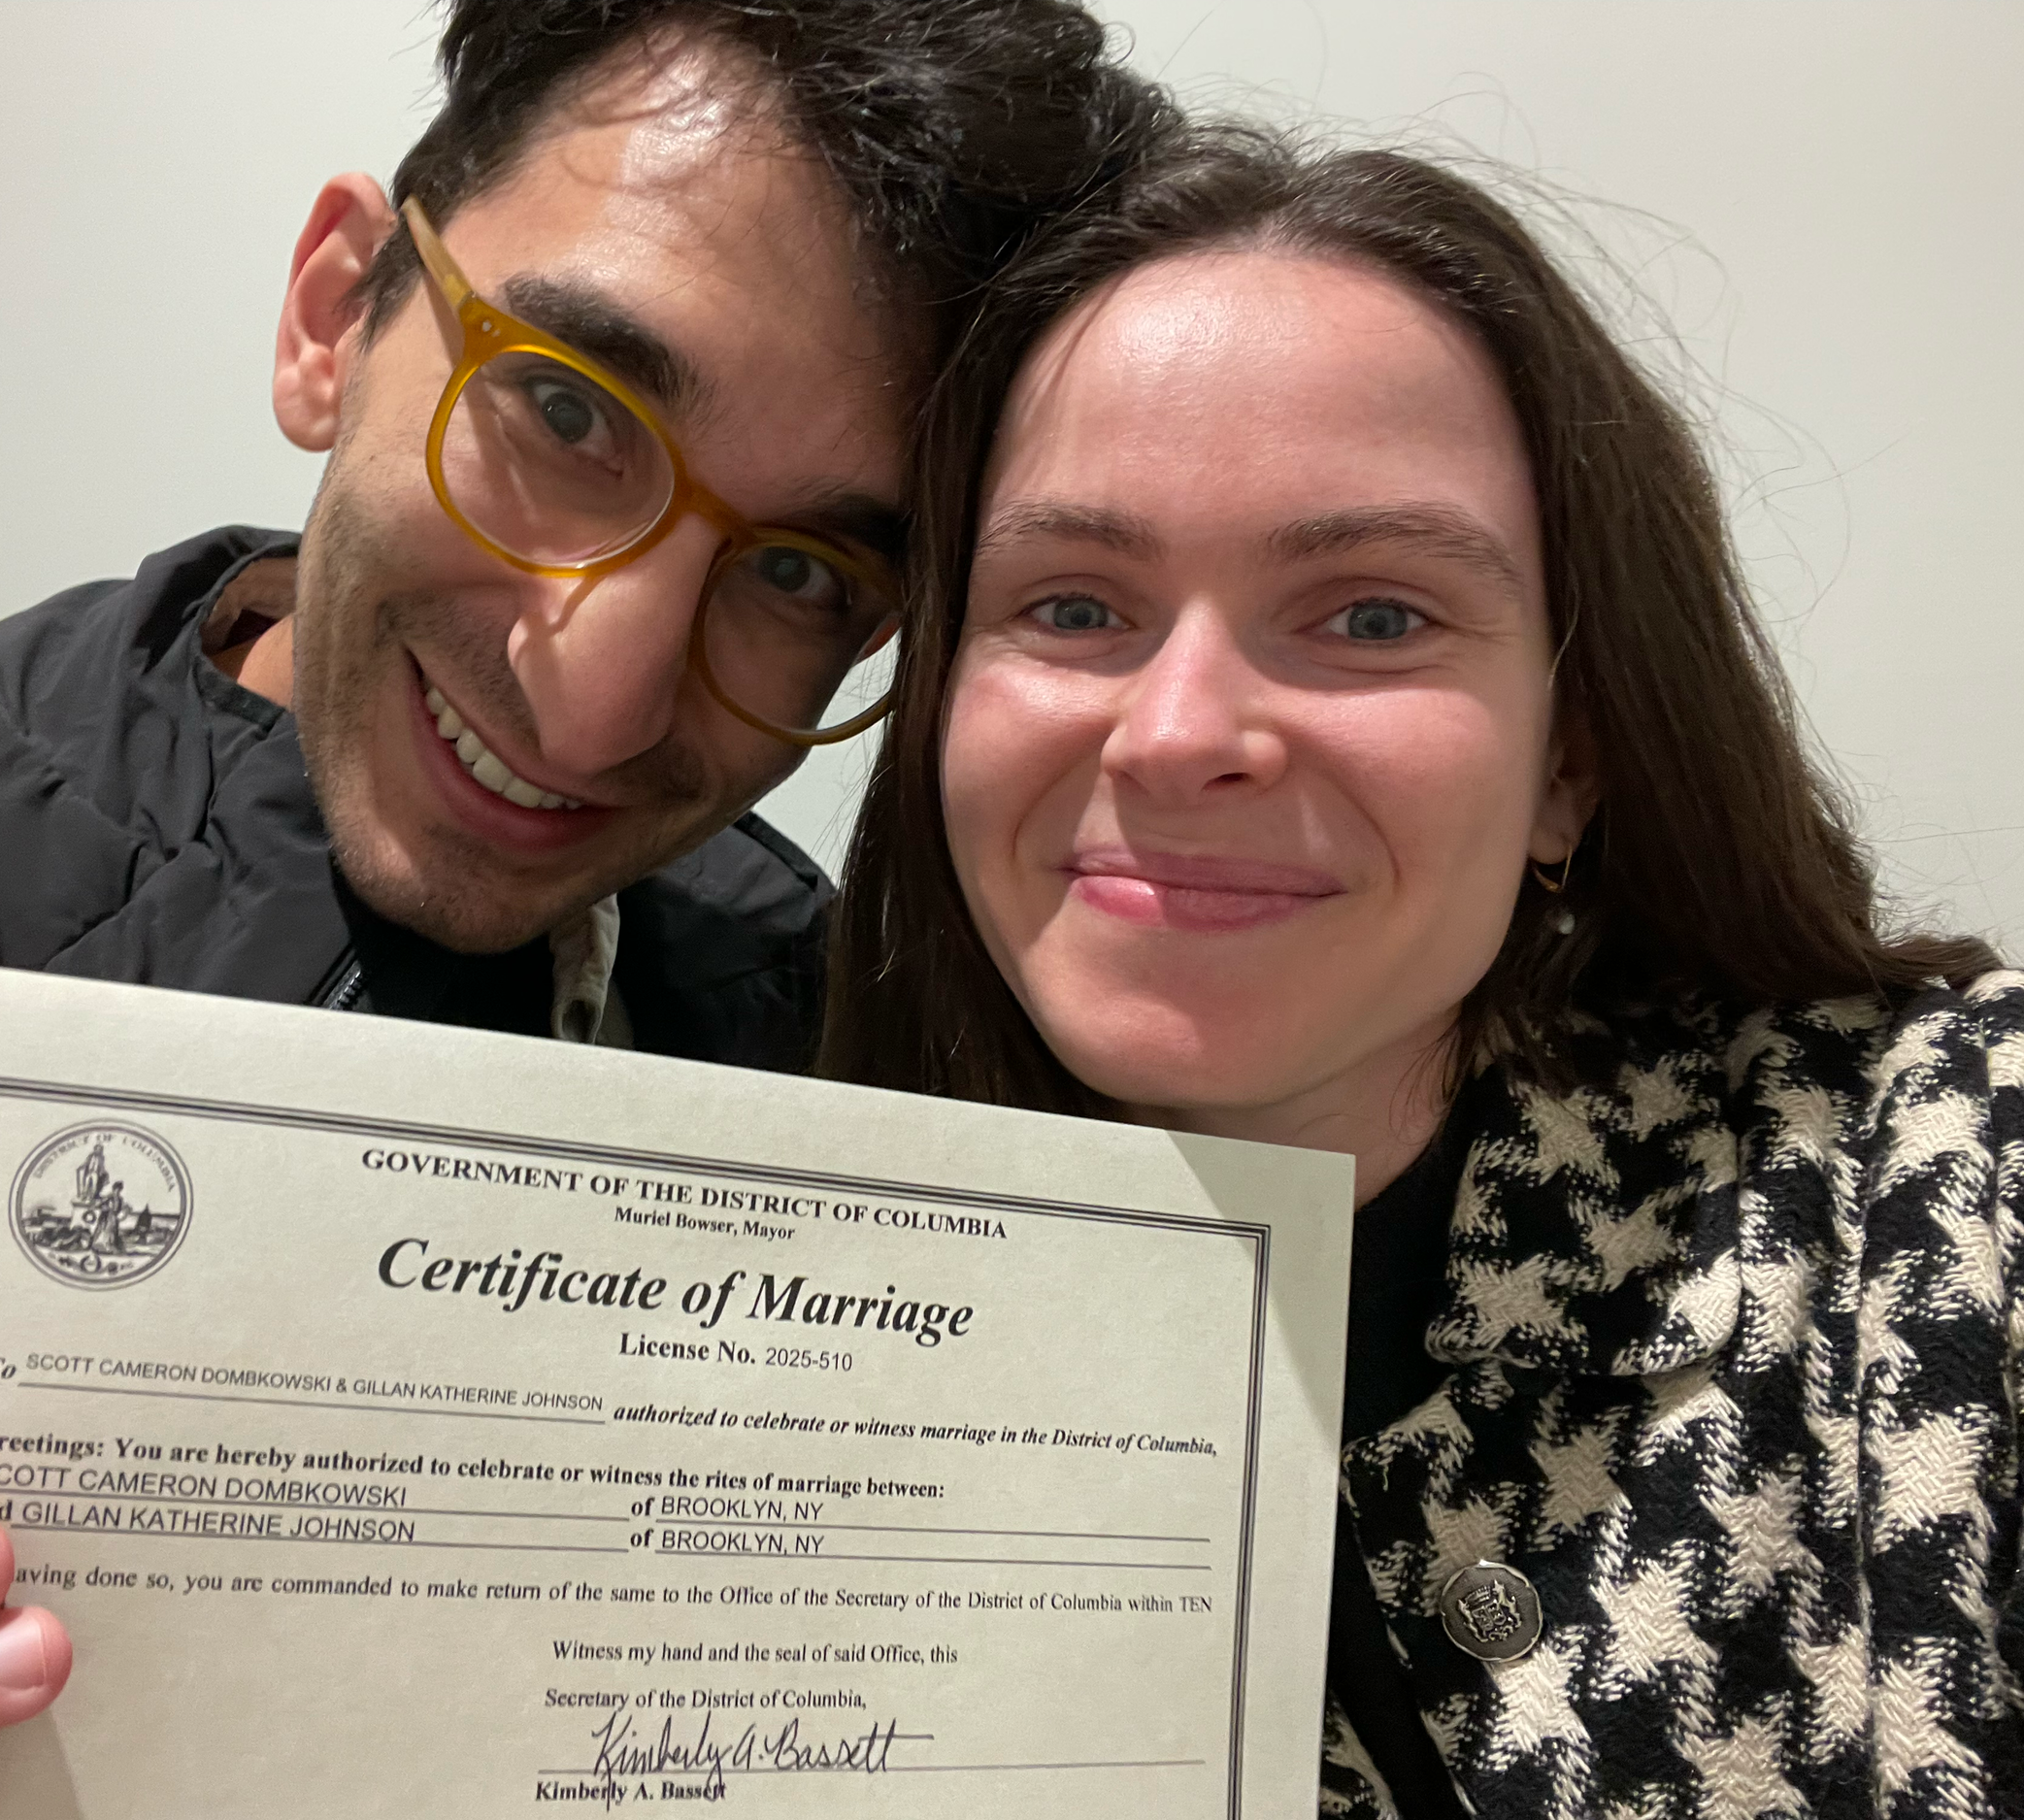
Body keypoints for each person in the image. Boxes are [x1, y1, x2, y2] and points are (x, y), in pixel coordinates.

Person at [0, 7, 1172, 1815]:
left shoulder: (881, 1098)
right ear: (333, 314)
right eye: (568, 411)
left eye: (804, 575)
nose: (595, 696)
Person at [822, 120, 2024, 1817]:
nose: (1180, 735)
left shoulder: (1952, 1191)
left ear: (1571, 755)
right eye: (1076, 605)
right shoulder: (777, 1354)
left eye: (1373, 614)